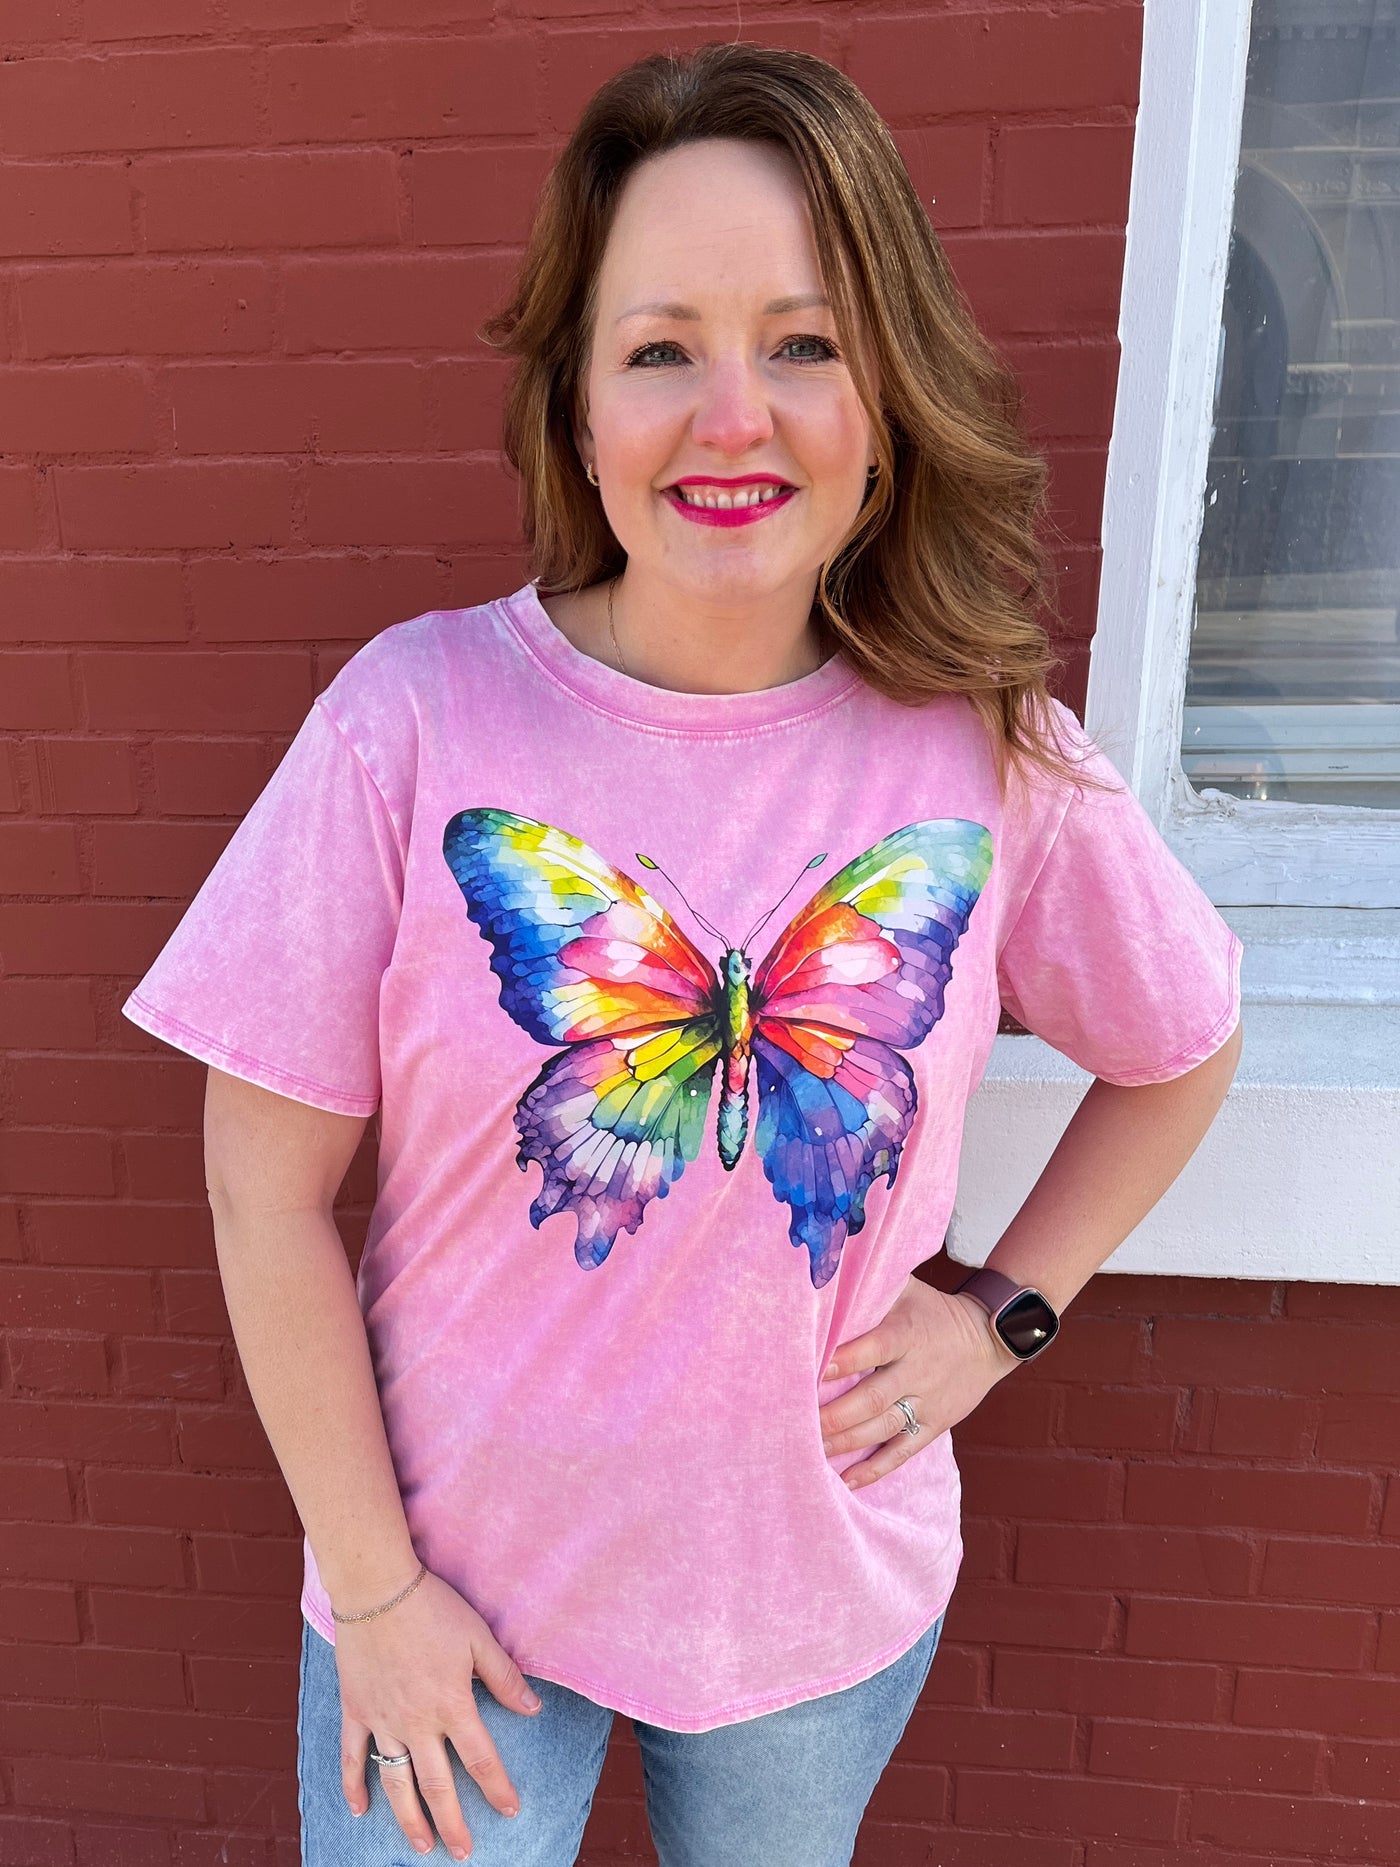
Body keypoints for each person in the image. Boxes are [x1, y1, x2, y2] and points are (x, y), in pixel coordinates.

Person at [120, 41, 1244, 1867]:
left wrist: (1004, 1317)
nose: (736, 415)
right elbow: (260, 1185)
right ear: (580, 412)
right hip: (449, 1599)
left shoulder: (986, 754)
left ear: (886, 396)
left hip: (818, 1605)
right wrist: (376, 1590)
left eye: (803, 343)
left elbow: (1182, 1046)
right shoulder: (413, 724)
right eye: (661, 350)